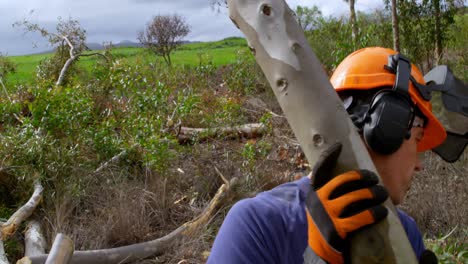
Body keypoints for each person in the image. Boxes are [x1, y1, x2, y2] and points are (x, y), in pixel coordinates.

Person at [207, 47, 450, 264]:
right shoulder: (258, 225)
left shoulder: (406, 232)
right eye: (417, 140)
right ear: (388, 126)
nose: (419, 165)